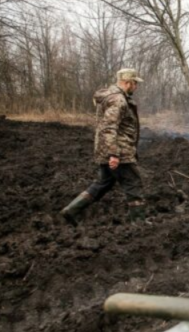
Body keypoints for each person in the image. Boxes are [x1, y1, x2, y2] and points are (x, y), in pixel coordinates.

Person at [60, 69, 146, 225]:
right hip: (120, 151)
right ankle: (139, 223)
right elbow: (109, 128)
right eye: (135, 83)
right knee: (133, 184)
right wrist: (114, 154)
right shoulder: (118, 100)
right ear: (128, 83)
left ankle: (71, 210)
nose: (136, 86)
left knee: (103, 183)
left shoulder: (110, 97)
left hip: (105, 149)